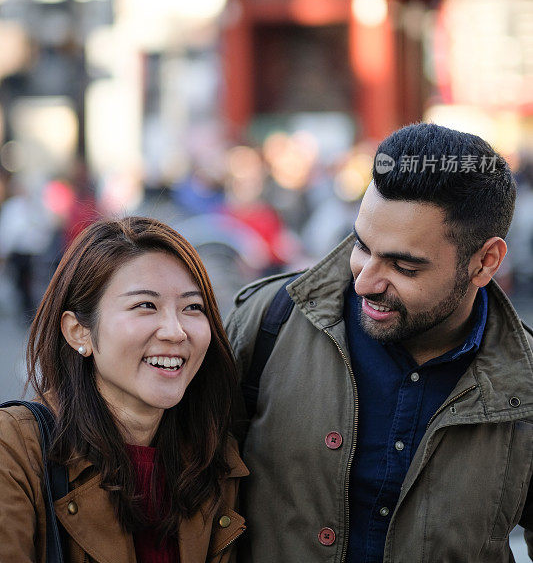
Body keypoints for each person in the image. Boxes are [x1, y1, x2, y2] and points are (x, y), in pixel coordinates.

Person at [226, 122, 533, 563]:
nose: (365, 281)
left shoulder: (523, 383)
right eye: (361, 245)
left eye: (404, 267)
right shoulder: (268, 323)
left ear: (486, 262)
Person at [0, 216, 248, 563]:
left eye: (192, 307)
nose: (176, 331)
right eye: (146, 305)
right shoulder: (13, 450)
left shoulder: (215, 457)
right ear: (78, 332)